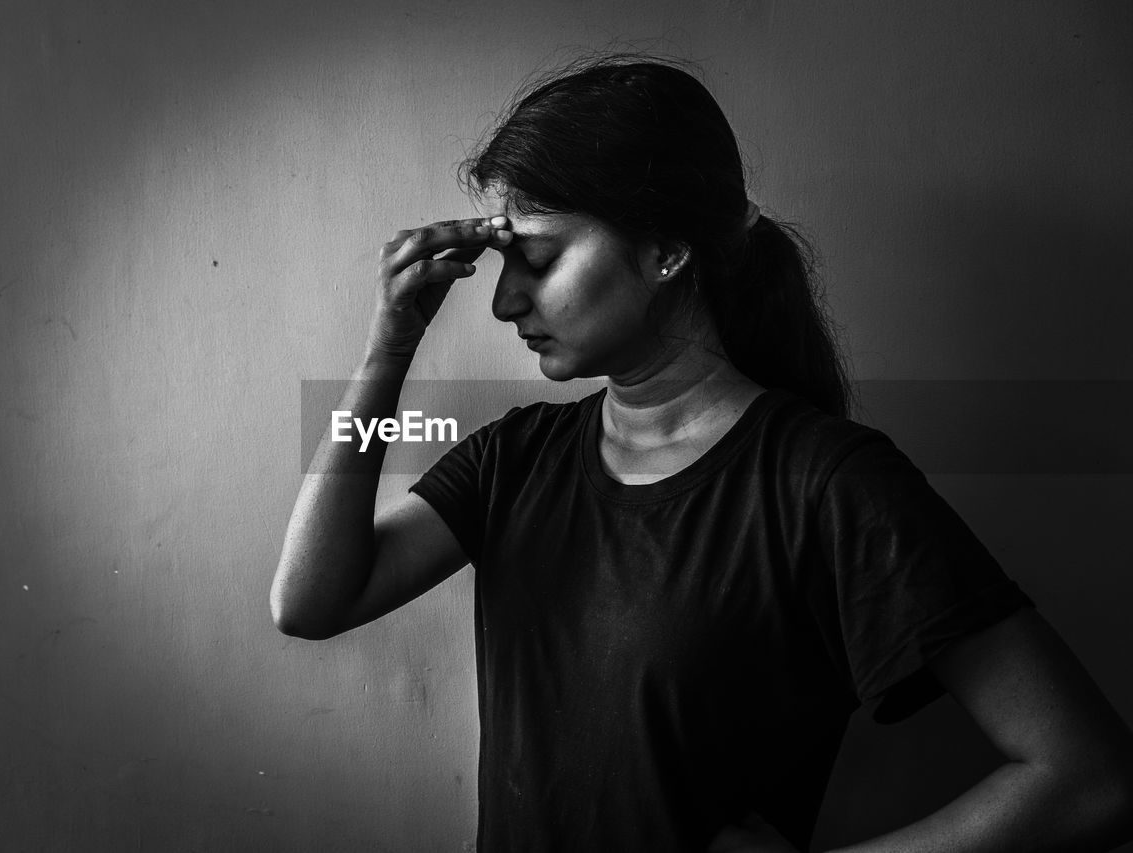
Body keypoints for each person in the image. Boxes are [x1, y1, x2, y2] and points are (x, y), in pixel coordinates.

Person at [271, 55, 1133, 852]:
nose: (503, 301)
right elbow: (311, 600)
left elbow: (1091, 778)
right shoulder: (517, 458)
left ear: (667, 250)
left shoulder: (826, 484)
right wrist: (388, 353)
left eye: (535, 257)